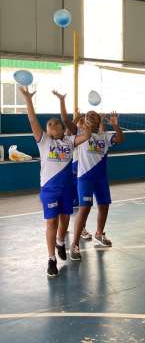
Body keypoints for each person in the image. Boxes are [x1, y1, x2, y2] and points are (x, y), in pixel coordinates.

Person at [19, 87, 90, 277]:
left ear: (60, 128)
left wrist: (87, 125)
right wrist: (28, 100)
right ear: (47, 130)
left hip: (67, 188)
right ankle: (51, 259)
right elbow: (32, 120)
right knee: (52, 221)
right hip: (50, 189)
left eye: (55, 123)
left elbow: (86, 136)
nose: (51, 124)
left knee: (65, 219)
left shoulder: (69, 141)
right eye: (49, 124)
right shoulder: (43, 141)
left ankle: (60, 242)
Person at [69, 110, 124, 261]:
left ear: (99, 120)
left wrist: (116, 125)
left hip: (101, 179)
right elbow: (68, 125)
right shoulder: (81, 134)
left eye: (93, 115)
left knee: (104, 206)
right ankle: (74, 244)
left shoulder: (104, 137)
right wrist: (77, 116)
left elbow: (120, 139)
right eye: (88, 115)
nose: (89, 116)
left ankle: (99, 234)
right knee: (84, 208)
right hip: (85, 178)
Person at [53, 92, 93, 240]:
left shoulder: (83, 136)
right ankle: (62, 229)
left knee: (82, 204)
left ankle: (81, 228)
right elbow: (67, 124)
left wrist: (80, 118)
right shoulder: (70, 137)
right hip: (72, 170)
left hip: (82, 171)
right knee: (69, 204)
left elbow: (69, 126)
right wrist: (76, 116)